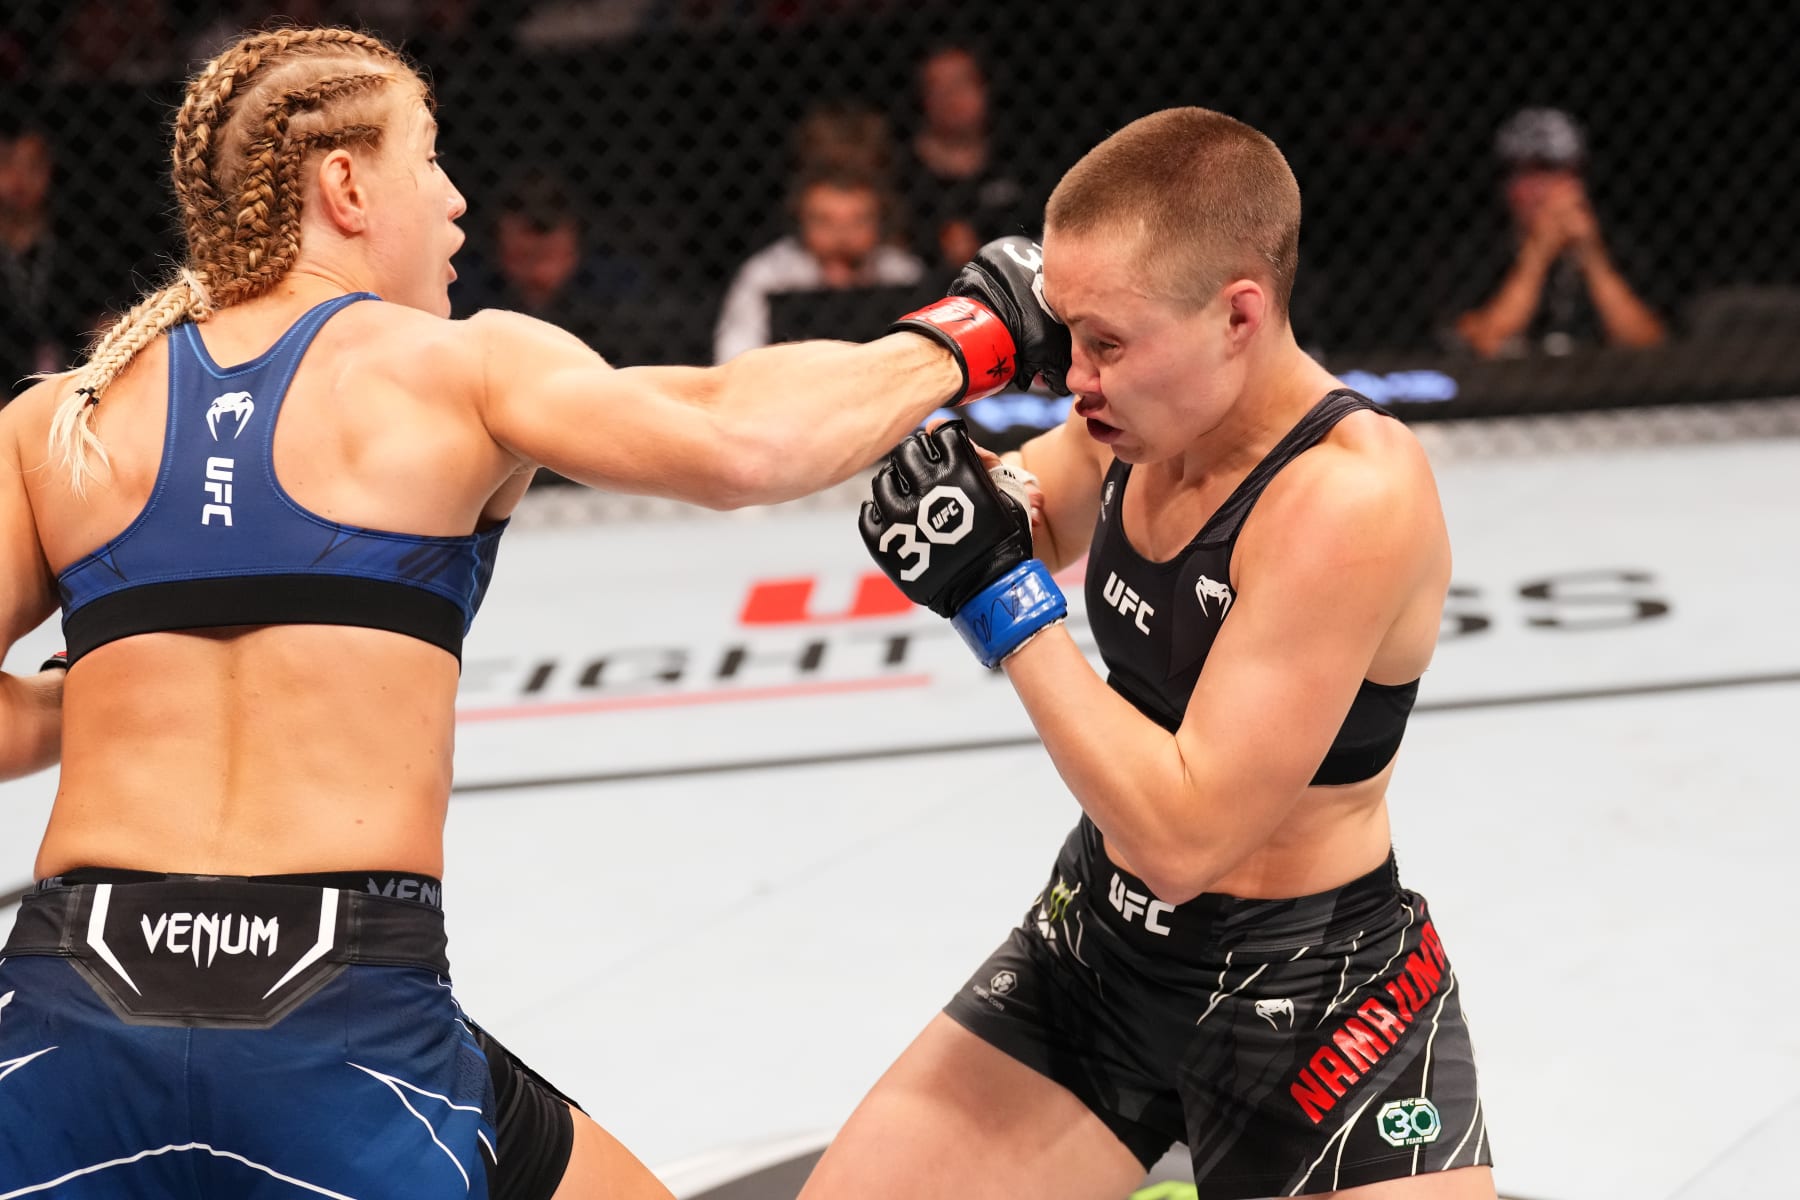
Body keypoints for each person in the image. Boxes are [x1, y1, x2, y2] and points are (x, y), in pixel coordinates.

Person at [0, 24, 1057, 1199]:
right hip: (335, 1016)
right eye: (431, 157)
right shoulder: (458, 369)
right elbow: (739, 441)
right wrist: (976, 331)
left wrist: (73, 709)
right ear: (345, 185)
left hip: (67, 1011)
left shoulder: (59, 423)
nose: (456, 203)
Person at [803, 108, 1496, 1200]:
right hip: (1098, 958)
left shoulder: (1347, 495)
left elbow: (1186, 834)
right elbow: (1028, 503)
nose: (1076, 376)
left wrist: (994, 593)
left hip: (1315, 1002)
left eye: (1108, 344)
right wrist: (958, 485)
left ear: (1238, 315)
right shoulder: (1139, 416)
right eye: (1069, 332)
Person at [1447, 107, 1666, 358]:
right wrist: (1537, 255)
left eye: (1552, 170)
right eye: (1525, 173)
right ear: (1506, 187)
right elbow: (1485, 343)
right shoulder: (1478, 252)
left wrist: (1593, 259)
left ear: (1578, 180)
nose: (1540, 189)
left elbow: (1650, 342)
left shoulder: (1619, 247)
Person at [712, 165, 924, 363]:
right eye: (824, 221)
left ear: (880, 223)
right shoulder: (769, 275)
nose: (842, 236)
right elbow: (735, 355)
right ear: (800, 222)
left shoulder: (902, 274)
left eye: (859, 221)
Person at [899, 44, 1034, 274]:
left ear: (984, 88)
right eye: (937, 88)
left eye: (961, 83)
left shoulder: (1020, 159)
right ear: (922, 98)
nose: (950, 97)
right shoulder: (902, 172)